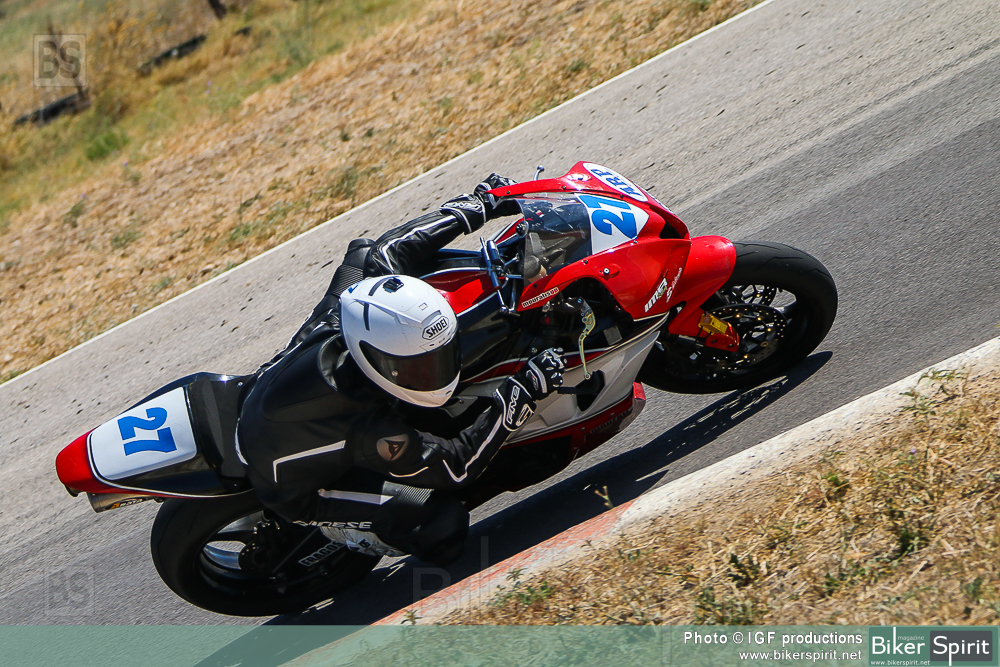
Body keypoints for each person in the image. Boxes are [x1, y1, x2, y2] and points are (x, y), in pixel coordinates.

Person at [235, 174, 566, 566]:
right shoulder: (371, 427)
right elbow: (455, 466)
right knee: (442, 523)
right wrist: (520, 396)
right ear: (373, 358)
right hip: (295, 488)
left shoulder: (342, 313)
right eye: (417, 368)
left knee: (365, 254)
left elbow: (385, 251)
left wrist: (479, 205)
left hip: (269, 398)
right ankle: (349, 532)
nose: (434, 372)